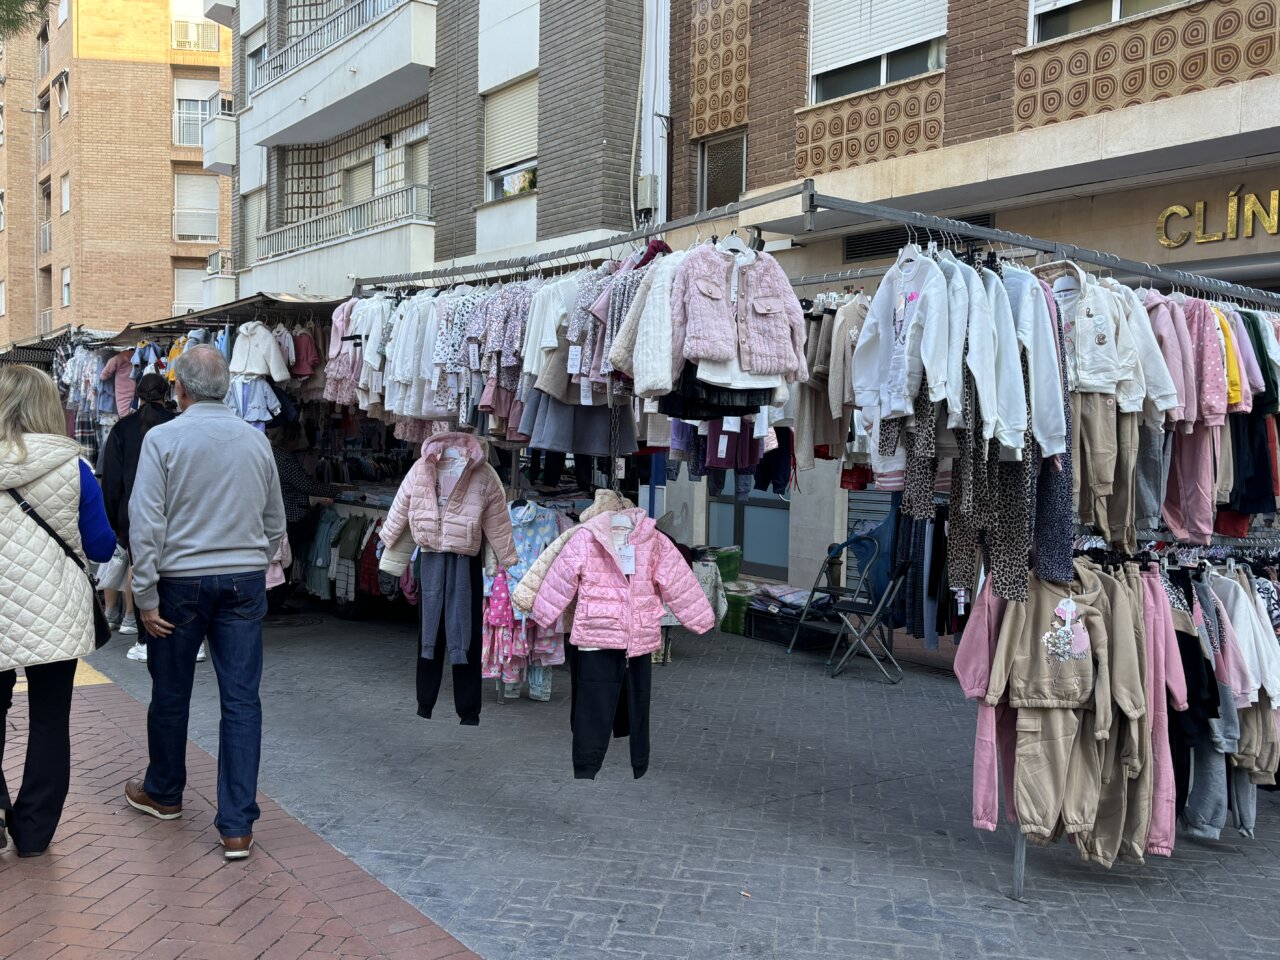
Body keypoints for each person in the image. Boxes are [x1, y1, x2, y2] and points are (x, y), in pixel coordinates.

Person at [124, 346, 286, 860]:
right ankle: (237, 825)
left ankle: (165, 792)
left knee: (171, 693)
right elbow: (274, 522)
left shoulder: (163, 438)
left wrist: (144, 594)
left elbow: (146, 522)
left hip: (179, 584)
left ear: (182, 389)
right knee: (242, 701)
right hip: (242, 581)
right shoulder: (255, 441)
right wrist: (252, 558)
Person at [0, 366, 116, 857]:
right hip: (55, 610)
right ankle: (33, 831)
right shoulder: (75, 469)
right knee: (50, 720)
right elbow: (102, 546)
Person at [100, 373, 176, 658]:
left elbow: (112, 481)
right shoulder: (177, 423)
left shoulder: (123, 429)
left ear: (138, 394)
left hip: (132, 515)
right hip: (175, 511)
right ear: (166, 392)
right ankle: (186, 637)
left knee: (141, 567)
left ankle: (144, 637)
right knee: (175, 571)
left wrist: (115, 522)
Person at [267, 422, 339, 613]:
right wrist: (336, 491)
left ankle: (273, 599)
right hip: (290, 515)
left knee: (277, 559)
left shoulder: (270, 454)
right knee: (285, 560)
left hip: (275, 514)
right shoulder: (286, 460)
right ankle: (276, 602)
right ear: (290, 438)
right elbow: (306, 485)